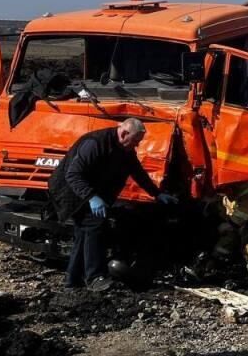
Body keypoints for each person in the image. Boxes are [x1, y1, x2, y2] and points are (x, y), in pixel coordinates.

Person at [47, 118, 178, 291]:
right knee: (96, 226)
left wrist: (157, 194)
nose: (137, 146)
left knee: (83, 234)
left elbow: (137, 172)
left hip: (90, 191)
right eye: (136, 141)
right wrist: (92, 197)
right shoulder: (95, 144)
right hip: (70, 191)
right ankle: (95, 277)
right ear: (124, 134)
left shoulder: (125, 149)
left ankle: (73, 281)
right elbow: (73, 174)